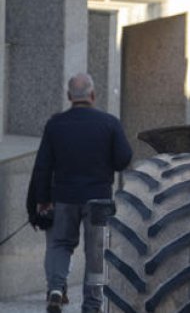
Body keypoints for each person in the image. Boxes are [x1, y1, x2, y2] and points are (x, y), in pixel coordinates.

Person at [26, 73, 132, 313]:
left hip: (64, 197)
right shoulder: (109, 123)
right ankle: (92, 304)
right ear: (93, 96)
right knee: (97, 251)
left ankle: (55, 288)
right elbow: (123, 159)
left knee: (60, 244)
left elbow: (43, 165)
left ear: (68, 97)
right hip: (99, 199)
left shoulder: (55, 124)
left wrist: (42, 199)